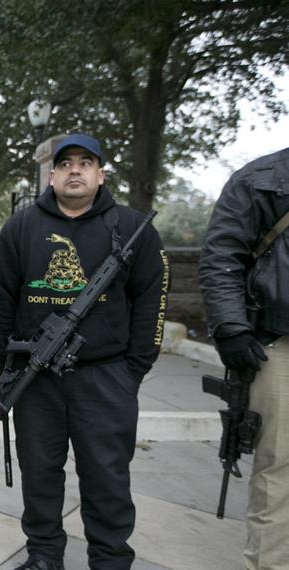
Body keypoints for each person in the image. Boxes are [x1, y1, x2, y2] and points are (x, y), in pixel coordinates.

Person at [0, 134, 167, 570]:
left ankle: (109, 558)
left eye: (86, 163)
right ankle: (45, 555)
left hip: (106, 378)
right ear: (52, 175)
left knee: (107, 478)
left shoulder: (131, 227)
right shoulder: (21, 227)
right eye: (66, 163)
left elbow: (152, 301)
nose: (75, 170)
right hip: (36, 377)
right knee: (40, 474)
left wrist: (133, 371)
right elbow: (1, 300)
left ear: (100, 174)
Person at [199, 147, 289, 570]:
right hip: (280, 343)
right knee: (279, 472)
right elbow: (221, 257)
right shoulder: (262, 178)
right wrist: (231, 327)